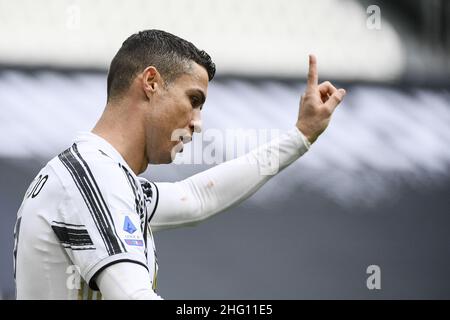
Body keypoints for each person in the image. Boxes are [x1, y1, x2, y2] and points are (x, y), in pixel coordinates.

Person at [13, 29, 346, 300]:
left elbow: (199, 198)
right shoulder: (93, 176)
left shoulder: (97, 175)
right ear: (152, 82)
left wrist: (300, 136)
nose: (198, 122)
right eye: (194, 100)